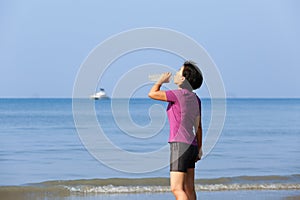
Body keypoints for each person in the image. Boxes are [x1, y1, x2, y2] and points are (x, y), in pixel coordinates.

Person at [148, 61, 203, 200]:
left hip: (180, 145)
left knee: (177, 188)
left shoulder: (177, 94)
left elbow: (152, 93)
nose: (175, 73)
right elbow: (198, 127)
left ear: (183, 78)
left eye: (179, 71)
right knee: (189, 188)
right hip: (192, 146)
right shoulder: (196, 99)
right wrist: (199, 149)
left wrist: (160, 81)